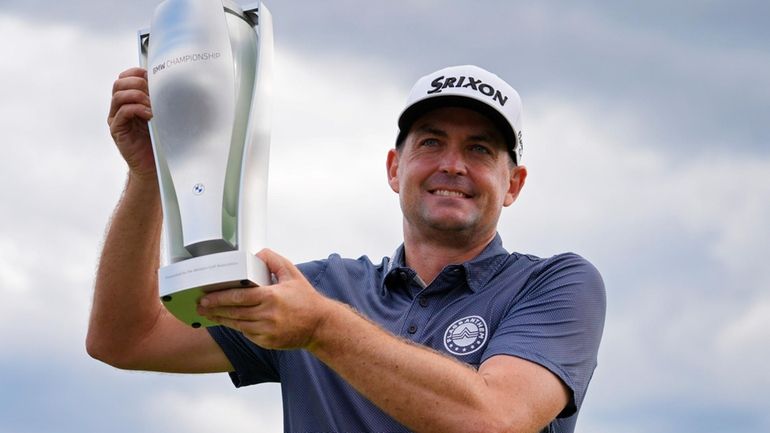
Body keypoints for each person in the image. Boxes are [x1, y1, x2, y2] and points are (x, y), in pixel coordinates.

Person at [88, 64, 606, 433]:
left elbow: (494, 420)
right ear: (394, 169)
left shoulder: (556, 284)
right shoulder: (318, 290)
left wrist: (319, 329)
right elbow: (125, 338)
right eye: (430, 142)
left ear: (512, 184)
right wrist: (148, 178)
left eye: (479, 149)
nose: (453, 164)